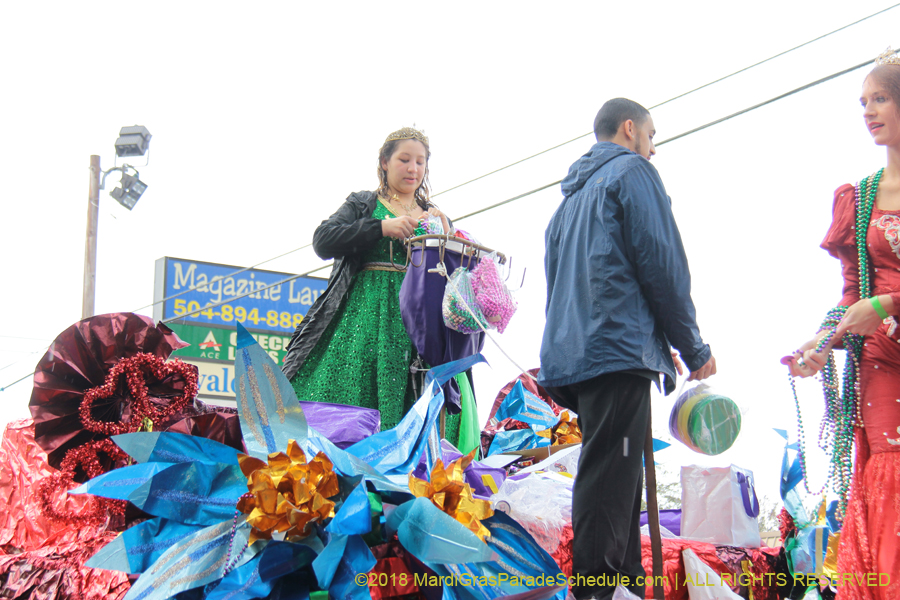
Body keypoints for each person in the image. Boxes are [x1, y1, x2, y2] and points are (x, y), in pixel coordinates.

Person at [538, 98, 716, 600]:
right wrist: (692, 345)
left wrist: (655, 343)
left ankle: (626, 587)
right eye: (653, 136)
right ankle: (597, 590)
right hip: (615, 353)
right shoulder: (632, 172)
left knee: (616, 472)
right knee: (609, 475)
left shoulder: (566, 205)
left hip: (582, 357)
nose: (653, 149)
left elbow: (571, 288)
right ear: (630, 128)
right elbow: (661, 263)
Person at [785, 48, 900, 599]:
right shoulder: (861, 196)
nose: (868, 111)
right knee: (884, 479)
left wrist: (887, 304)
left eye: (879, 99)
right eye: (863, 103)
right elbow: (856, 295)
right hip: (880, 364)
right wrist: (821, 341)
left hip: (886, 331)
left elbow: (876, 301)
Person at [282, 127, 451, 432]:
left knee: (413, 398)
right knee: (350, 391)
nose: (413, 168)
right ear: (385, 162)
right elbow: (323, 240)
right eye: (404, 159)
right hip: (362, 318)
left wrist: (445, 234)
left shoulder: (435, 215)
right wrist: (381, 228)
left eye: (420, 162)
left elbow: (450, 271)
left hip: (416, 323)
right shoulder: (364, 203)